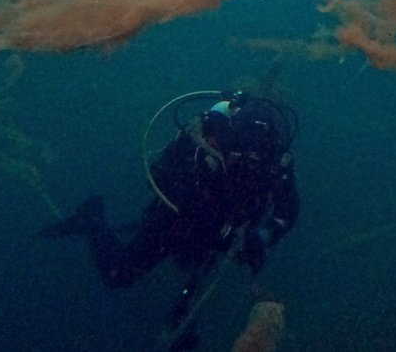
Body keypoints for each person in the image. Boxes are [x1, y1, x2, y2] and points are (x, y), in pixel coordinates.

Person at [41, 90, 299, 336]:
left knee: (196, 277)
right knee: (118, 275)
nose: (246, 157)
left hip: (219, 235)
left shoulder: (276, 160)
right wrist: (192, 197)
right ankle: (92, 217)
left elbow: (288, 208)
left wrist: (265, 236)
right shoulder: (206, 138)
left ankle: (182, 323)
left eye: (255, 153)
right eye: (240, 148)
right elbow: (159, 175)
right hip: (174, 222)